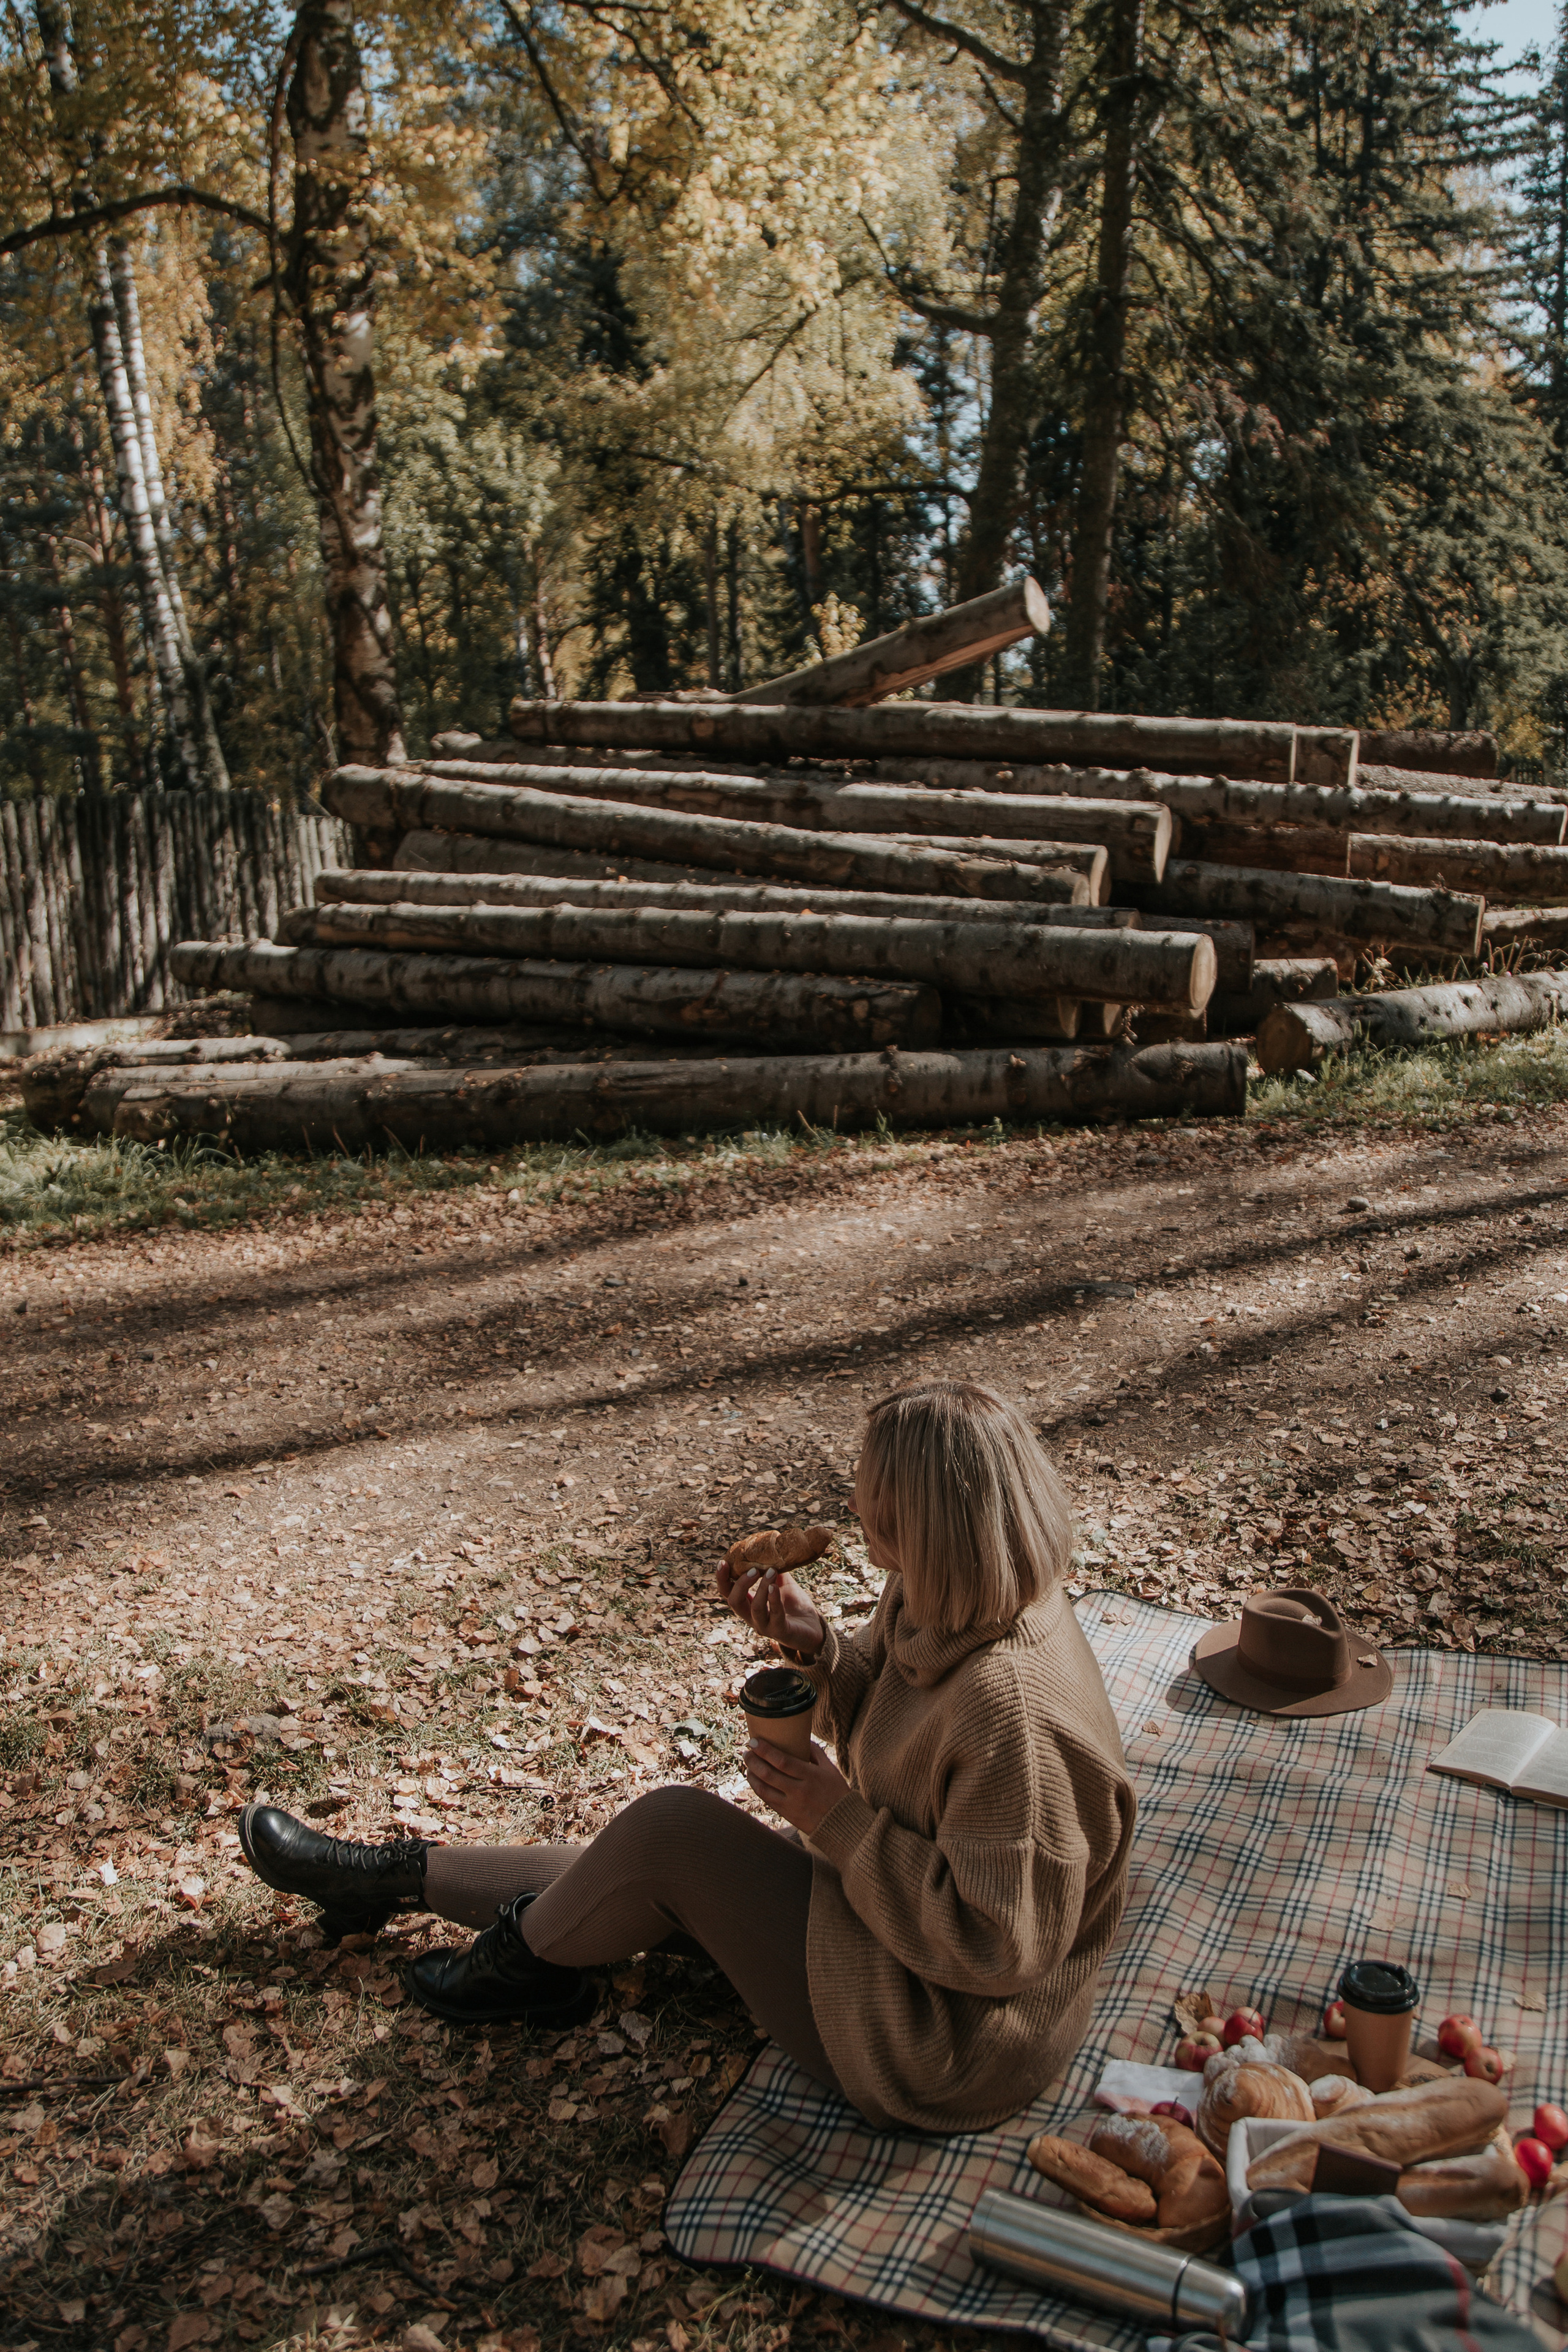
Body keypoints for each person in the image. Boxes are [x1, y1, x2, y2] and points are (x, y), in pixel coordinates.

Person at [239, 1381, 1136, 2134]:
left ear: (934, 1525)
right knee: (650, 1859)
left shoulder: (1018, 1715)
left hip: (946, 2038)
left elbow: (999, 1949)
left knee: (674, 1835)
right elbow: (899, 1718)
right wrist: (818, 1646)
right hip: (894, 1931)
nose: (855, 1507)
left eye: (873, 1499)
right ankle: (384, 1879)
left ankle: (526, 1969)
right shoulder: (945, 1590)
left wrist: (839, 1821)